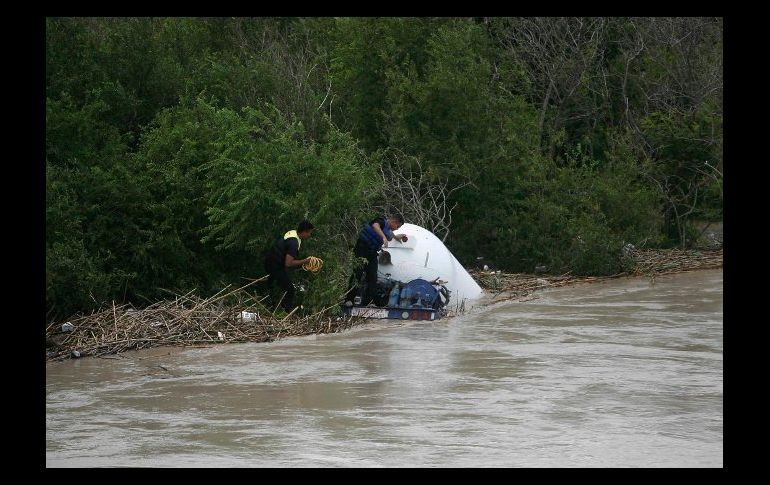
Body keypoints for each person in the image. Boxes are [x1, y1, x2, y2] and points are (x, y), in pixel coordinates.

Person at [353, 213, 408, 305]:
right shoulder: (381, 221)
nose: (397, 228)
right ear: (394, 221)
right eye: (397, 226)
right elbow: (375, 226)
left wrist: (401, 236)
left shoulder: (388, 230)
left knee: (373, 278)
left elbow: (392, 236)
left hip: (372, 253)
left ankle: (368, 303)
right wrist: (383, 237)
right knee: (357, 274)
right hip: (362, 249)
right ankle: (349, 300)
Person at [264, 220, 315, 312]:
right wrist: (306, 261)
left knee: (276, 286)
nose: (309, 235)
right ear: (304, 232)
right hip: (276, 266)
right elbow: (289, 263)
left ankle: (272, 307)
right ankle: (284, 313)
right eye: (309, 233)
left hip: (270, 262)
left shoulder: (293, 233)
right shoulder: (293, 243)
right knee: (290, 290)